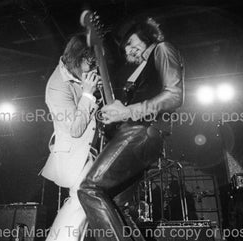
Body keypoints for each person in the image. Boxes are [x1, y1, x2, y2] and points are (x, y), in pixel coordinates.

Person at [78, 17, 184, 241]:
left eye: (131, 40)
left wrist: (126, 112)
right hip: (140, 134)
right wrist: (116, 111)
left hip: (141, 132)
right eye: (125, 45)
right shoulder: (142, 70)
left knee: (90, 188)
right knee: (118, 206)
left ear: (146, 35)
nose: (128, 47)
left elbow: (174, 96)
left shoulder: (163, 49)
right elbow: (132, 106)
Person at [41, 34, 100, 241]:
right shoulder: (57, 86)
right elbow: (75, 128)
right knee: (82, 199)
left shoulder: (78, 75)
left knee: (83, 203)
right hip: (73, 154)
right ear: (77, 58)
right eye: (89, 62)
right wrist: (88, 94)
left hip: (89, 151)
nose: (92, 68)